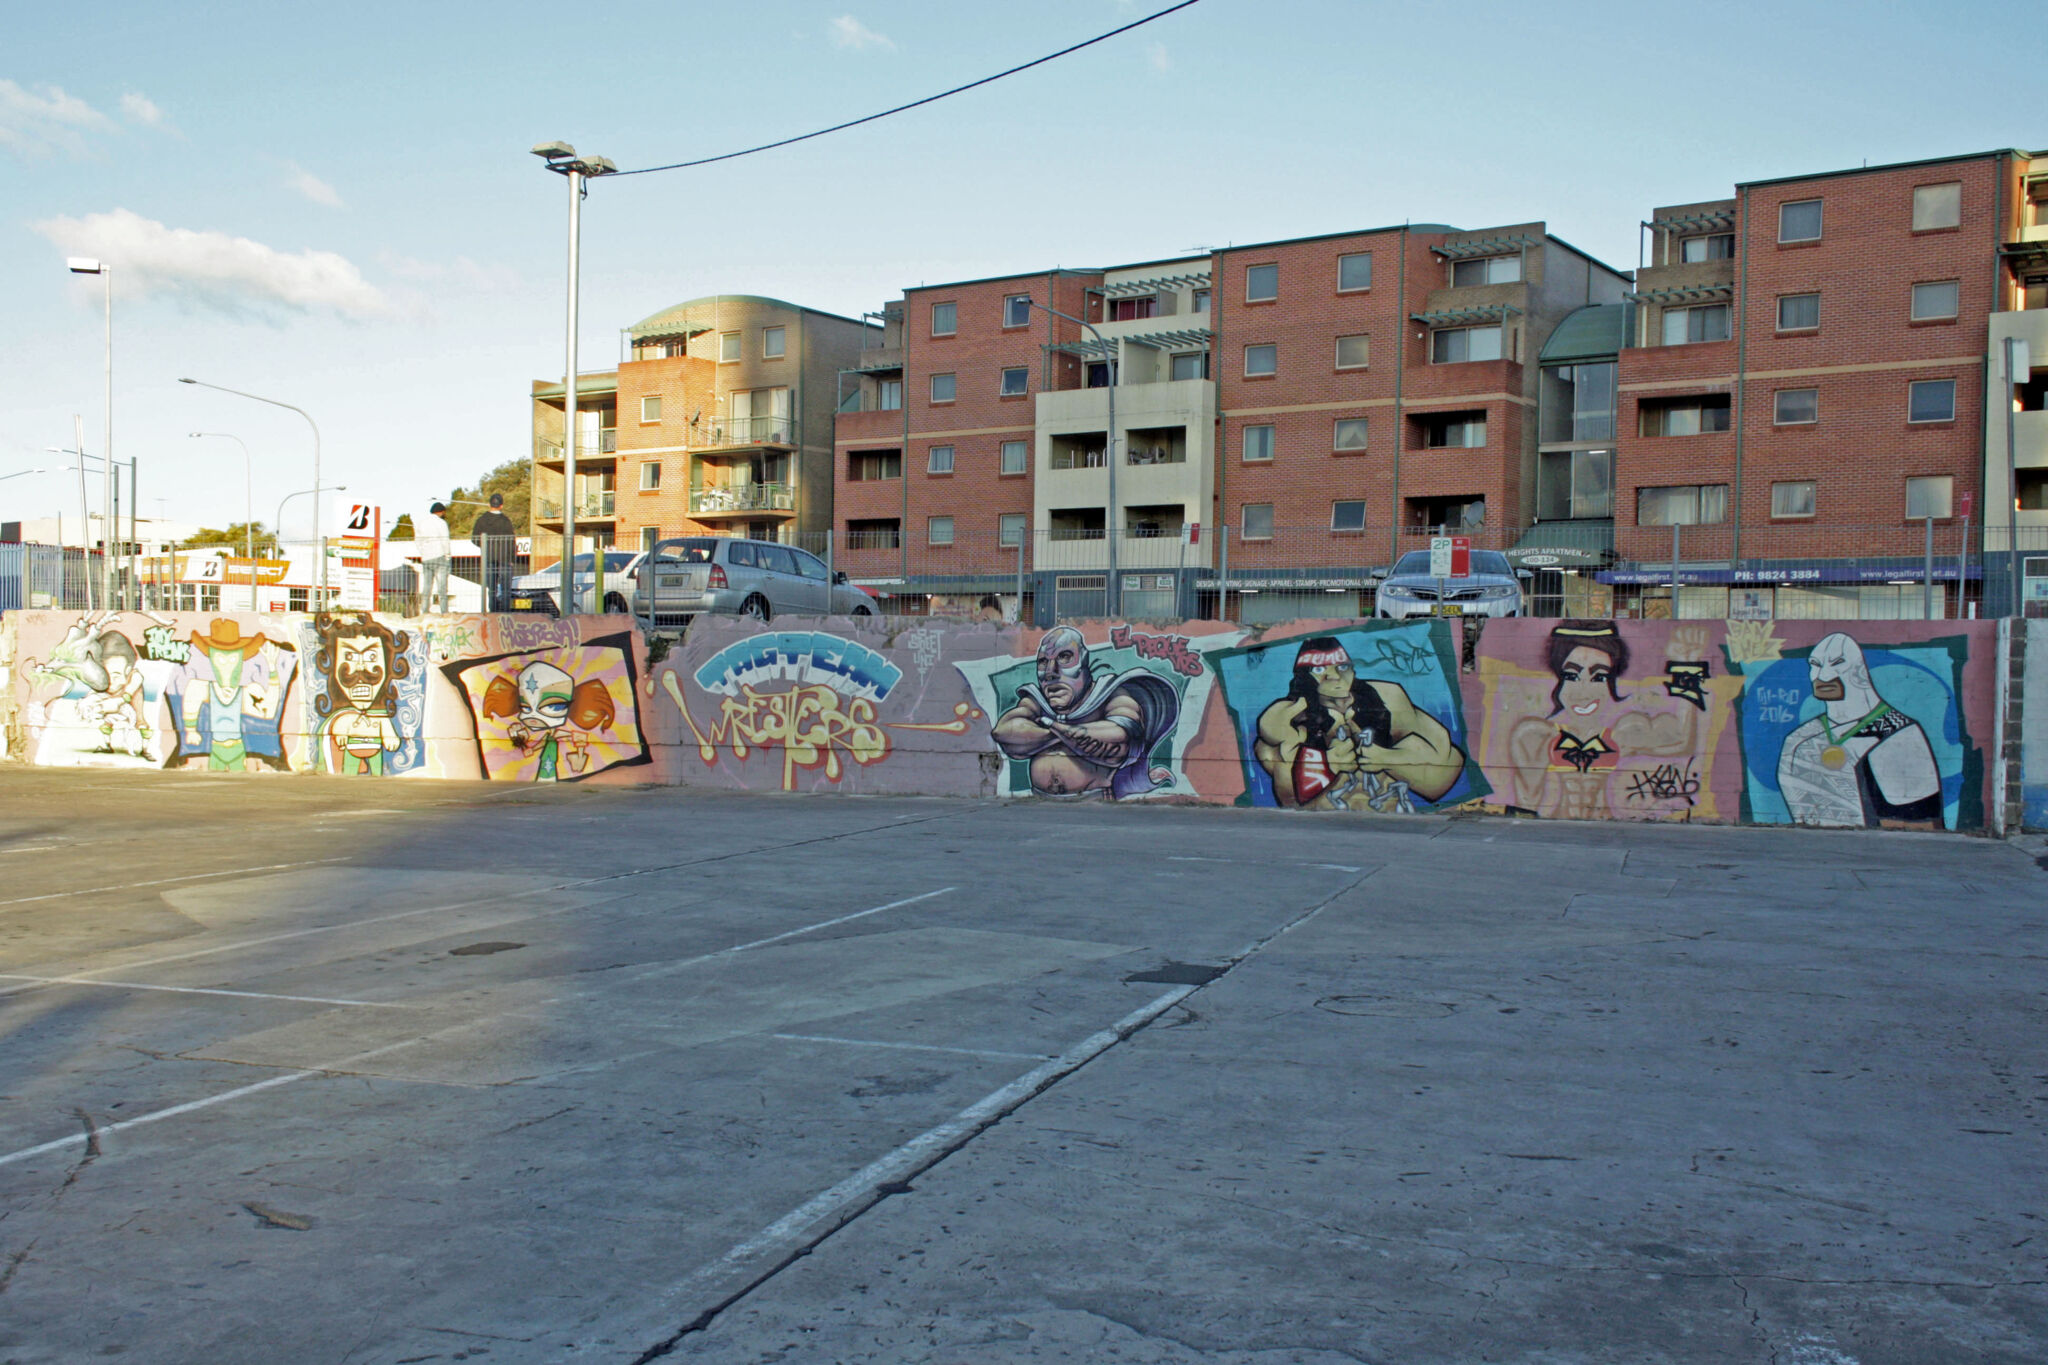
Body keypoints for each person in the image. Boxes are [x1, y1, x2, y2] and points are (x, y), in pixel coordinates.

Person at [1253, 636, 1464, 812]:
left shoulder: (1386, 699)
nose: (1334, 676)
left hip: (1390, 813)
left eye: (1342, 666)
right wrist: (1325, 764)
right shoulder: (1285, 720)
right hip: (1322, 820)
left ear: (1352, 670)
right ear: (1304, 678)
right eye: (1319, 670)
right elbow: (1289, 798)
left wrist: (1387, 759)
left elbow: (1446, 765)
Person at [991, 626, 1180, 799]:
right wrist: (1063, 733)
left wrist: (1052, 727)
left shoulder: (1110, 693)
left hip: (1093, 801)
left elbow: (1119, 740)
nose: (1050, 672)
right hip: (1040, 802)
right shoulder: (1037, 700)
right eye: (1042, 662)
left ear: (1084, 662)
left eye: (1064, 657)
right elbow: (1005, 732)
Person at [1776, 632, 1942, 829]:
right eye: (1815, 664)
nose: (1823, 675)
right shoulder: (1799, 738)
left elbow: (1917, 828)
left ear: (1861, 671)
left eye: (1837, 662)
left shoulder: (1899, 735)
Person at [471, 493, 519, 612]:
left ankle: (492, 612)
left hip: (489, 558)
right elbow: (511, 540)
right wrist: (512, 558)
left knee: (492, 589)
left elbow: (474, 539)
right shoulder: (506, 521)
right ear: (501, 506)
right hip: (505, 558)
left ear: (489, 504)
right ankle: (506, 613)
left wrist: (485, 547)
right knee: (506, 589)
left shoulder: (481, 520)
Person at [419, 501, 452, 613]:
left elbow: (418, 540)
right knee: (442, 589)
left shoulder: (422, 523)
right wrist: (447, 555)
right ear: (441, 512)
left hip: (426, 558)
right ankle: (444, 612)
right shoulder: (441, 523)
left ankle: (424, 610)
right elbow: (445, 539)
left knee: (427, 587)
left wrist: (423, 552)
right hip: (439, 556)